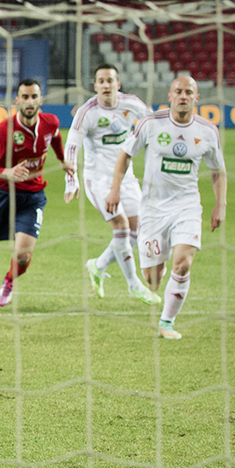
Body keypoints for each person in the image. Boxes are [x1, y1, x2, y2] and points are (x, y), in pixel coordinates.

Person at [106, 75, 227, 340]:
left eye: (189, 92)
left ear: (196, 98)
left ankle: (167, 323)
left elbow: (218, 170)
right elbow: (125, 154)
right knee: (153, 280)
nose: (183, 96)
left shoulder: (208, 131)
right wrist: (115, 189)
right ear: (170, 96)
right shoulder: (150, 123)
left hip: (187, 206)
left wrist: (221, 204)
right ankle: (155, 276)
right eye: (178, 91)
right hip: (152, 209)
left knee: (183, 264)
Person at [64, 63, 161, 306]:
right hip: (98, 180)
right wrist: (71, 180)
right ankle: (134, 285)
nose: (106, 85)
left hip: (125, 177)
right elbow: (72, 145)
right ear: (95, 86)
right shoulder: (87, 112)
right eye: (101, 81)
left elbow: (153, 125)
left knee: (137, 231)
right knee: (121, 226)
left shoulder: (132, 104)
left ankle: (97, 266)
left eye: (110, 80)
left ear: (118, 84)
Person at [0, 79, 64, 313]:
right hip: (2, 194)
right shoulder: (5, 130)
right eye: (25, 97)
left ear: (41, 99)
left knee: (22, 256)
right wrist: (6, 172)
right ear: (17, 100)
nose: (30, 102)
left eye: (34, 97)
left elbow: (56, 138)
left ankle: (9, 281)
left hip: (33, 196)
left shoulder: (51, 122)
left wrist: (63, 160)